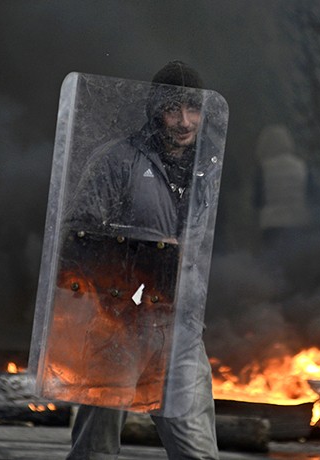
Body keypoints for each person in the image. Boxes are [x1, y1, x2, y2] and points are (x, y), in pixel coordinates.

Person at [64, 61, 221, 460]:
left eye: (194, 109)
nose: (185, 121)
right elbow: (76, 238)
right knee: (94, 452)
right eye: (174, 109)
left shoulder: (206, 171)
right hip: (119, 327)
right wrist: (145, 250)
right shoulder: (118, 162)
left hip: (180, 330)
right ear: (155, 110)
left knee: (198, 454)